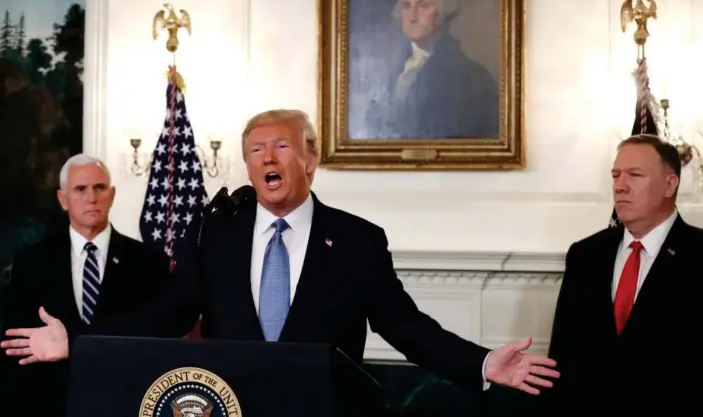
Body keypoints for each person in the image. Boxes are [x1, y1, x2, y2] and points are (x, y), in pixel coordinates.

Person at [6, 111, 558, 402]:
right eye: (255, 150)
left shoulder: (358, 241)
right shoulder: (214, 235)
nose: (267, 157)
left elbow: (406, 325)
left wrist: (482, 363)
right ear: (246, 166)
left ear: (312, 158)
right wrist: (76, 342)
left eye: (282, 146)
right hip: (234, 405)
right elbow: (167, 314)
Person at [0, 154, 172, 417]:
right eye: (80, 189)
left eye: (99, 188)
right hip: (51, 405)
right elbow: (16, 346)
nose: (92, 197)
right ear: (62, 199)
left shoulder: (150, 263)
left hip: (126, 403)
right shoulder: (31, 261)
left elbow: (158, 340)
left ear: (112, 195)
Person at [542, 134, 700, 414]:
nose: (620, 187)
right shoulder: (585, 254)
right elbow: (563, 359)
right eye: (616, 175)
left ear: (669, 185)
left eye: (635, 175)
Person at [361, 0, 499, 139]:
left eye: (423, 5)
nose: (412, 17)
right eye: (406, 6)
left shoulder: (472, 78)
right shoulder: (390, 71)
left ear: (442, 12)